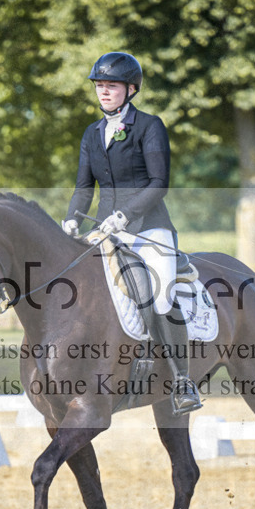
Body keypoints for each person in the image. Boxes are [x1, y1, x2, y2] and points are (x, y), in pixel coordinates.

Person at [61, 51, 201, 415]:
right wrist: (72, 218)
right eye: (99, 86)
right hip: (106, 232)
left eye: (111, 86)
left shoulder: (149, 126)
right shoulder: (92, 133)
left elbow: (159, 184)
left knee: (160, 295)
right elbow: (82, 187)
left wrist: (125, 214)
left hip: (149, 229)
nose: (103, 92)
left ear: (131, 89)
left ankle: (183, 381)